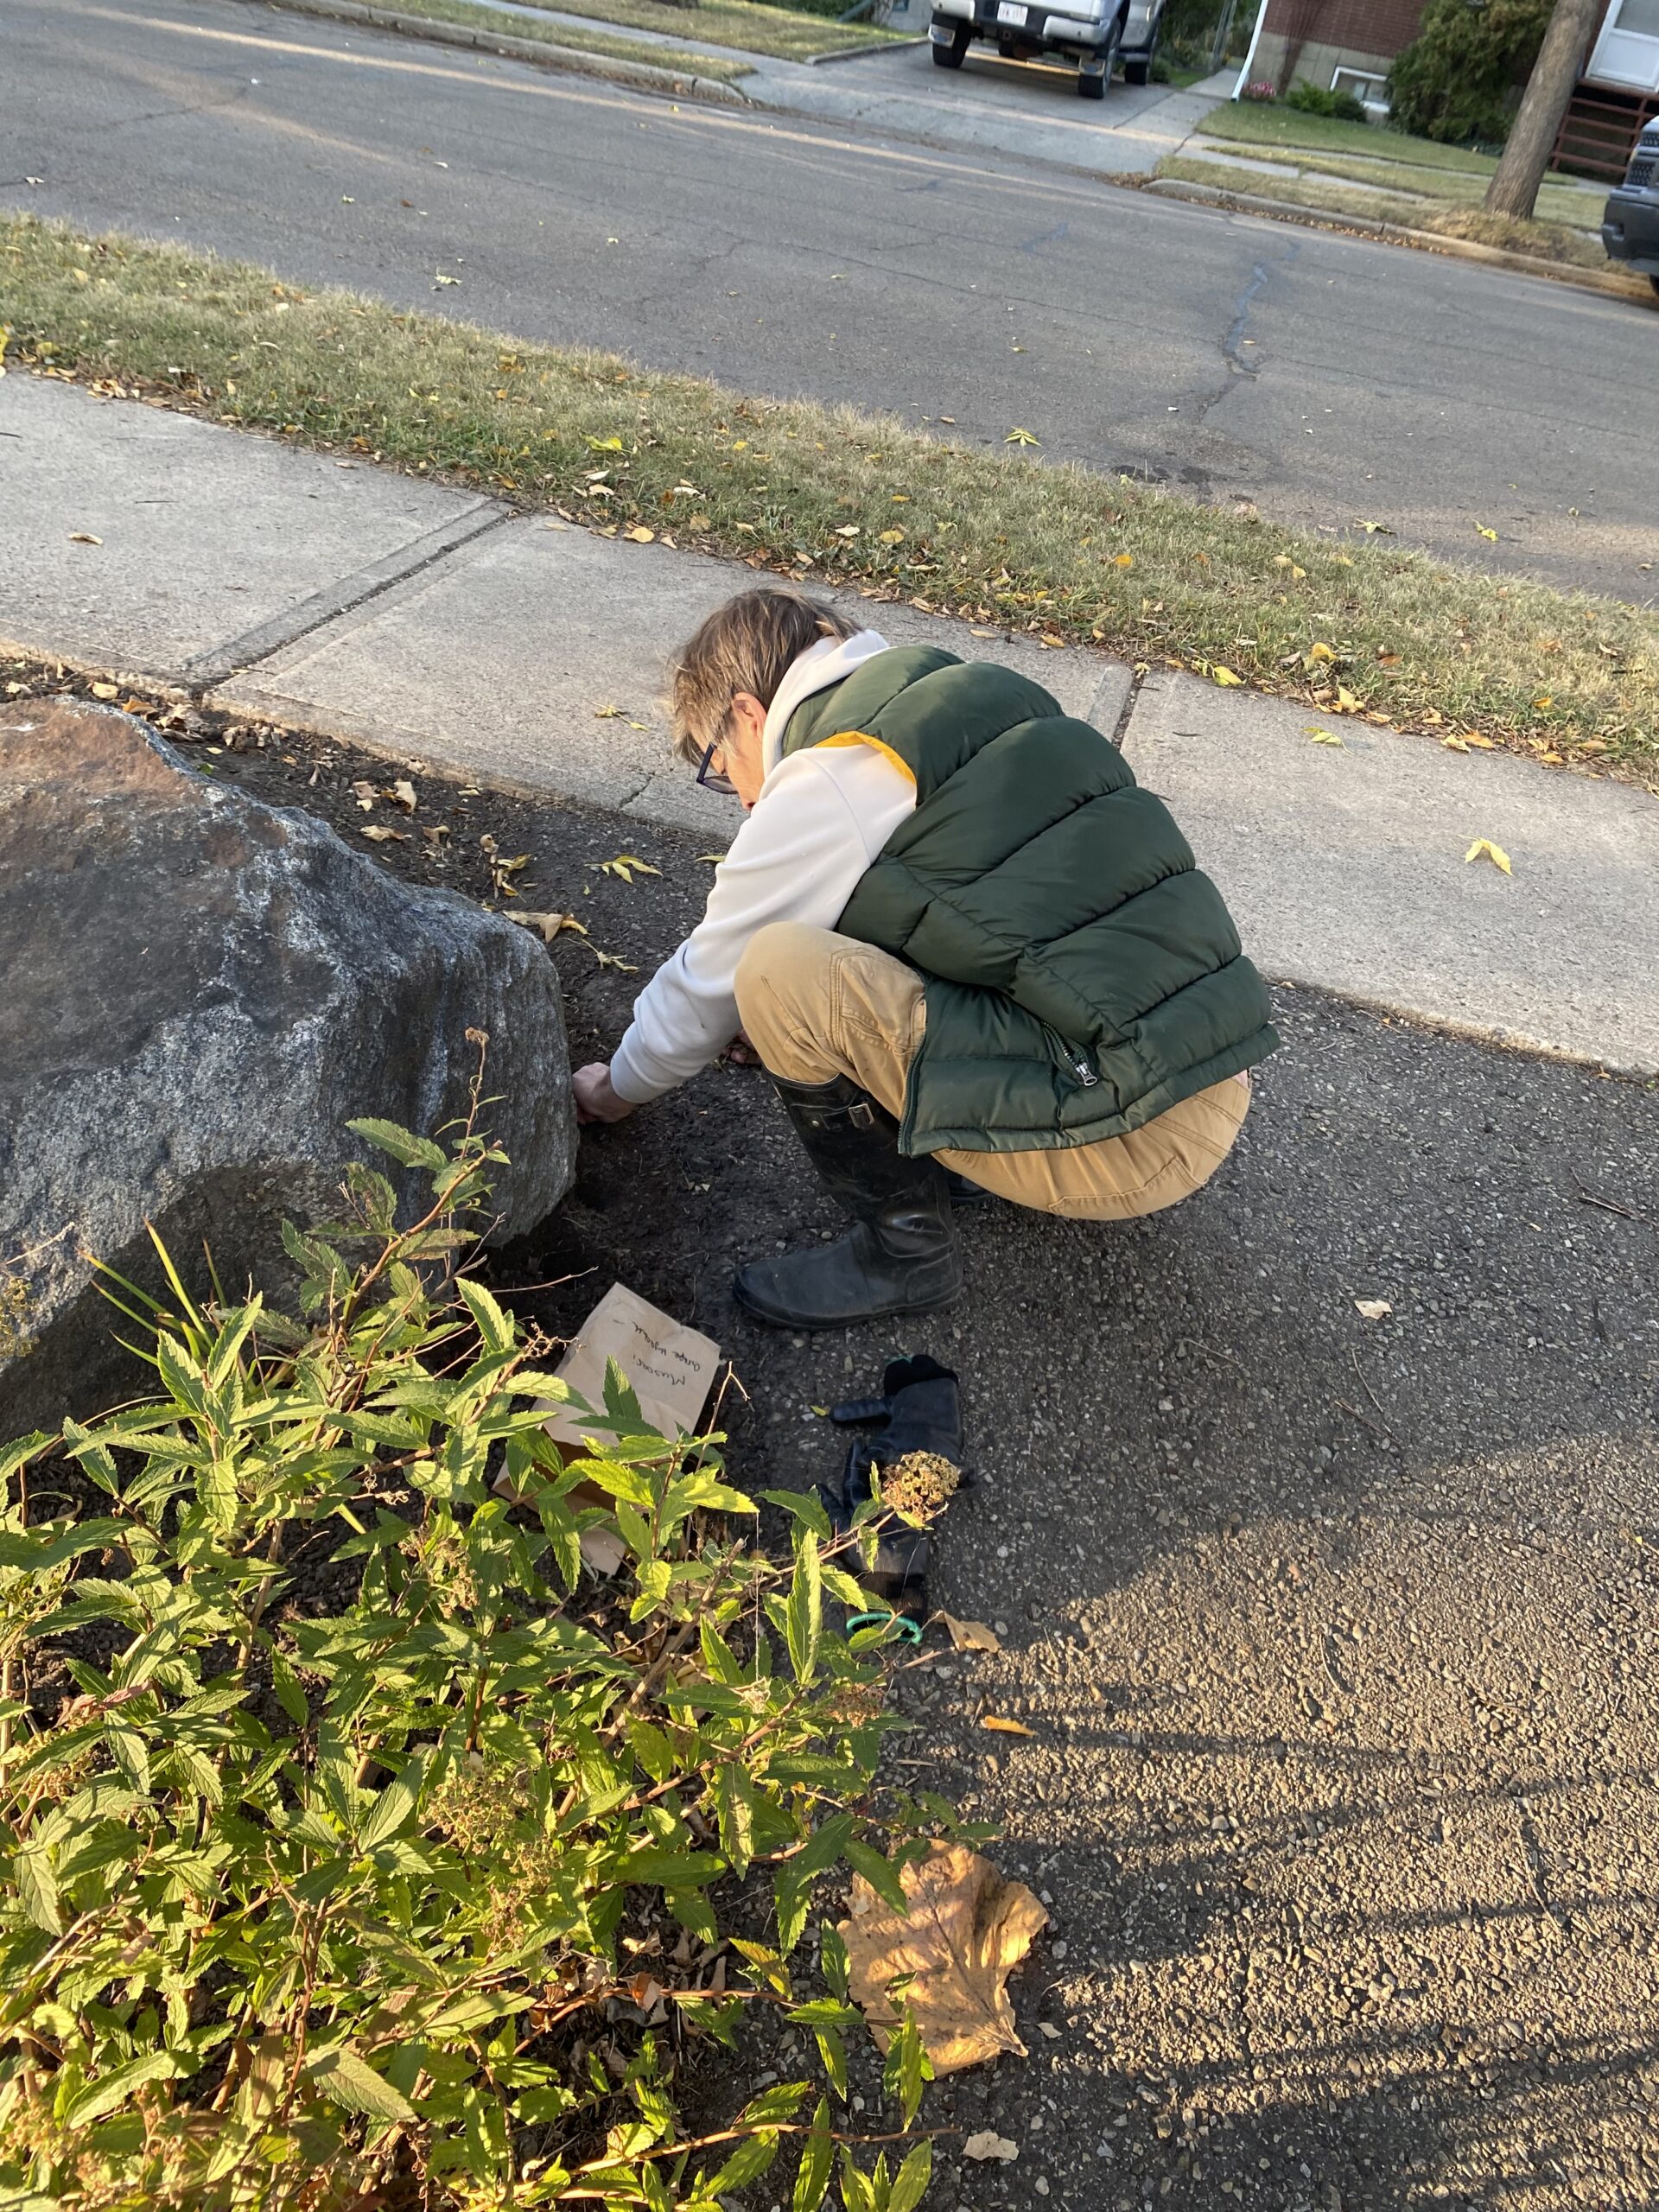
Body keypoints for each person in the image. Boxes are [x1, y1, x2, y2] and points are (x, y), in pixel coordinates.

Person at [572, 588, 1277, 1331]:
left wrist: (613, 1091)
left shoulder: (830, 777)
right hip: (1202, 1077)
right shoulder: (967, 695)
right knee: (849, 931)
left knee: (776, 969)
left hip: (1133, 1138)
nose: (743, 801)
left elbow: (702, 990)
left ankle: (905, 1253)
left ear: (749, 714)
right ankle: (962, 1152)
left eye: (720, 769)